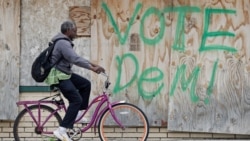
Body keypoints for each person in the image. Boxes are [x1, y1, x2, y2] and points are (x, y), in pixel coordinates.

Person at [44, 20, 105, 141]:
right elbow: (74, 58)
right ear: (67, 31)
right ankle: (61, 130)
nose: (76, 33)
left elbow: (76, 57)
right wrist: (92, 68)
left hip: (65, 73)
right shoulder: (62, 43)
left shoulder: (64, 42)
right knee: (76, 99)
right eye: (74, 31)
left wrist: (93, 64)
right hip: (59, 75)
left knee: (85, 84)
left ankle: (78, 113)